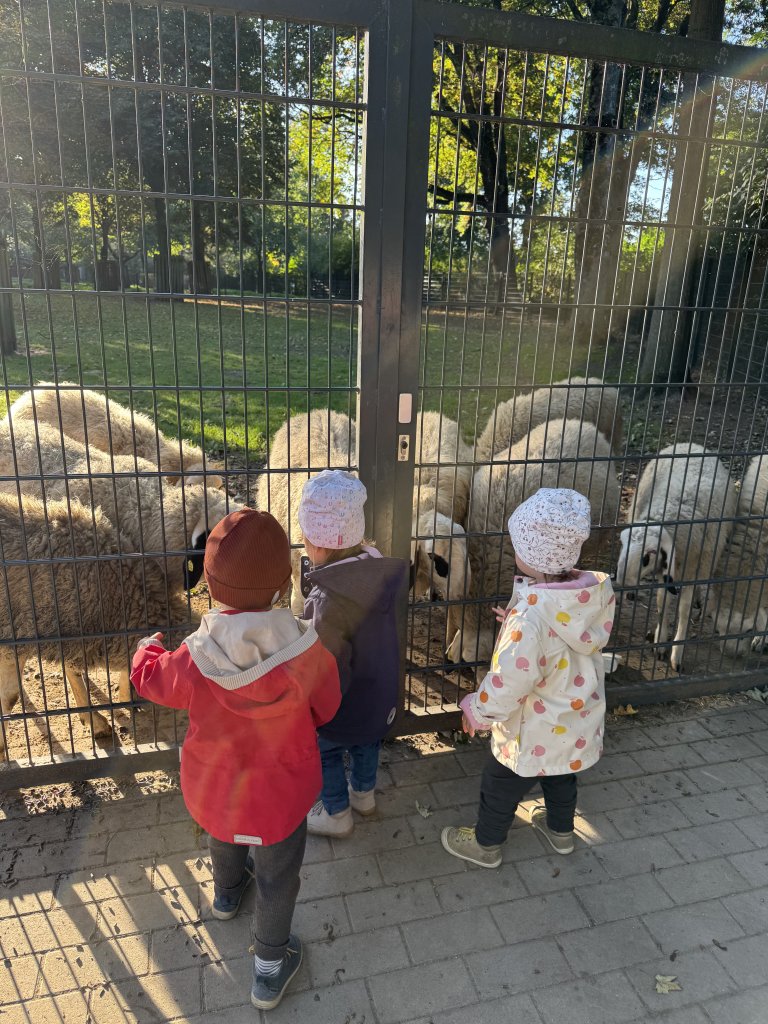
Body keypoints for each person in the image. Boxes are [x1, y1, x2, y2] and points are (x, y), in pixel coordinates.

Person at [130, 509, 341, 1010]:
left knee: (224, 831)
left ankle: (226, 894)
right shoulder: (307, 648)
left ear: (207, 581)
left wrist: (146, 651)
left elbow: (152, 681)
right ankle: (268, 970)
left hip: (216, 789)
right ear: (284, 583)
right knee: (278, 877)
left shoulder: (196, 652)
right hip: (281, 795)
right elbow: (328, 706)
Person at [441, 487, 615, 868]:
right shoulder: (582, 599)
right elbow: (557, 638)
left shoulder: (532, 621)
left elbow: (510, 680)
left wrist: (478, 710)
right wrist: (518, 620)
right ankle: (561, 833)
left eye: (518, 544)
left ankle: (485, 845)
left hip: (532, 731)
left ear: (532, 555)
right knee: (561, 775)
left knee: (499, 782)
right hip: (571, 723)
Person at [296, 469, 409, 838]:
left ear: (318, 545)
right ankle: (363, 796)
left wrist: (311, 706)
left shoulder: (327, 599)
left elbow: (323, 662)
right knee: (367, 742)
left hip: (341, 703)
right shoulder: (376, 573)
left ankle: (337, 813)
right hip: (379, 694)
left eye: (305, 537)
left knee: (326, 750)